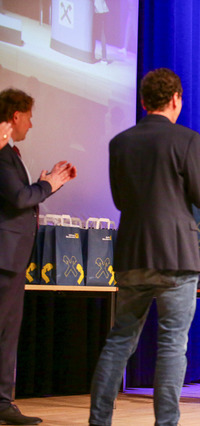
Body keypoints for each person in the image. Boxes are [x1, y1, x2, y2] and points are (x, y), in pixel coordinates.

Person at [89, 68, 200, 426]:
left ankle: (98, 421)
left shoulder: (120, 142)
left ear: (144, 101)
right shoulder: (187, 139)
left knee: (119, 340)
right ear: (175, 99)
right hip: (176, 255)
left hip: (133, 254)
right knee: (173, 343)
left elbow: (120, 200)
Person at [0, 89, 77, 425]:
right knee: (4, 333)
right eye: (29, 117)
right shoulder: (2, 153)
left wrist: (45, 183)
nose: (31, 125)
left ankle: (3, 402)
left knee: (7, 334)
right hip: (4, 259)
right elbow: (19, 198)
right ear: (16, 116)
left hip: (12, 258)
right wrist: (49, 185)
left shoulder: (9, 153)